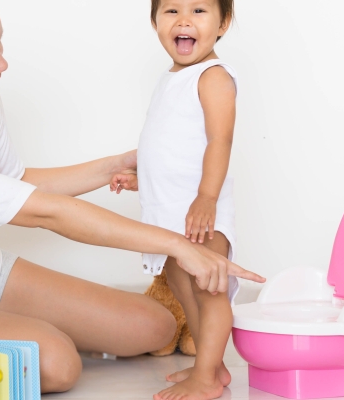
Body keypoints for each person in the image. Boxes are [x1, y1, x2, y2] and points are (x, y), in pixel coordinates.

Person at [0, 0, 265, 394]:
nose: (2, 65)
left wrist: (113, 166)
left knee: (155, 327)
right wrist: (177, 245)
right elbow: (47, 213)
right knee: (57, 363)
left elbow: (14, 180)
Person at [111, 0, 247, 398]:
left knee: (208, 289)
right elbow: (173, 146)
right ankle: (211, 366)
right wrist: (145, 179)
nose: (184, 19)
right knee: (179, 283)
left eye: (199, 11)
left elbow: (220, 141)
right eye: (171, 10)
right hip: (170, 209)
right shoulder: (171, 78)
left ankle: (206, 375)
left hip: (201, 210)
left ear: (223, 23)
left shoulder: (213, 76)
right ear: (154, 21)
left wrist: (207, 197)